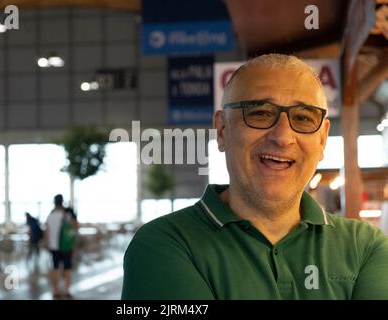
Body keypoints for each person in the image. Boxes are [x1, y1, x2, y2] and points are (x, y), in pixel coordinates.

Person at [122, 54, 388, 299]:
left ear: (322, 139)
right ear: (223, 130)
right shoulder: (163, 245)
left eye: (304, 118)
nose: (283, 137)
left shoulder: (367, 248)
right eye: (260, 113)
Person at [45, 195, 77, 300]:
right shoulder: (67, 214)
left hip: (53, 246)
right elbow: (73, 230)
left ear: (54, 202)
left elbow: (47, 231)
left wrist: (48, 245)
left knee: (55, 268)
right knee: (67, 268)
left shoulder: (51, 215)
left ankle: (55, 291)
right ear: (62, 202)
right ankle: (66, 290)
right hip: (66, 246)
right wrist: (73, 245)